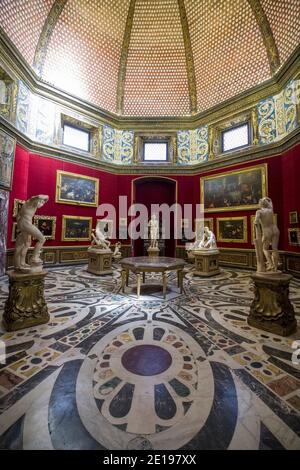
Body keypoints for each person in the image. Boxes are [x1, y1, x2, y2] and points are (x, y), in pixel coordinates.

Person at [14, 195, 49, 272]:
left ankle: (22, 263)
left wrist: (20, 224)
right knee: (42, 239)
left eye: (43, 203)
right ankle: (34, 257)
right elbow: (41, 196)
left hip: (24, 224)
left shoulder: (32, 205)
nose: (41, 204)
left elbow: (18, 215)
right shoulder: (30, 202)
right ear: (37, 200)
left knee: (27, 243)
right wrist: (45, 198)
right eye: (41, 202)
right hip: (26, 224)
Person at [254, 197, 280, 272]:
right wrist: (267, 198)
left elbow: (255, 222)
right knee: (275, 248)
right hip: (275, 229)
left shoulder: (259, 212)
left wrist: (257, 230)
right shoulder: (271, 210)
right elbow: (271, 202)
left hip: (267, 231)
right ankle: (275, 267)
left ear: (260, 204)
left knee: (265, 248)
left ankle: (271, 264)